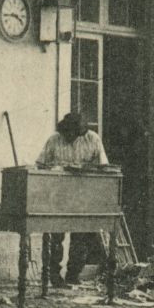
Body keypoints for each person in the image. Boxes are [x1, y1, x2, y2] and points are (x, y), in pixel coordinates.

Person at [36, 110, 108, 286]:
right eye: (66, 133)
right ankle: (53, 276)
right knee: (56, 237)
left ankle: (73, 274)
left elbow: (103, 167)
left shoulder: (93, 139)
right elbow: (40, 165)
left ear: (80, 132)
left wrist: (86, 169)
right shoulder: (54, 140)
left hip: (83, 195)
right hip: (58, 194)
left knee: (81, 237)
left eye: (73, 134)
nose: (69, 137)